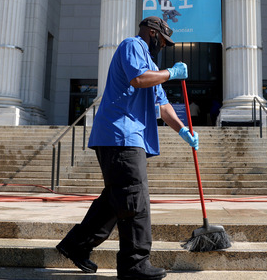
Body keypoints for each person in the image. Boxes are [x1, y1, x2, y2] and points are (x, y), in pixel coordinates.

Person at [56, 16, 199, 280]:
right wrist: (171, 73)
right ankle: (135, 264)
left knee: (116, 199)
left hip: (125, 137)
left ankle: (75, 245)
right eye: (163, 41)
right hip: (121, 135)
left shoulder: (151, 64)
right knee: (135, 200)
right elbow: (138, 80)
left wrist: (184, 131)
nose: (164, 47)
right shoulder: (132, 46)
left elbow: (164, 107)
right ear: (152, 33)